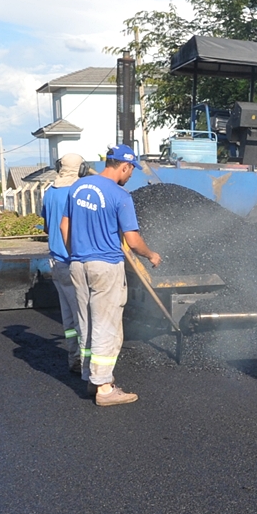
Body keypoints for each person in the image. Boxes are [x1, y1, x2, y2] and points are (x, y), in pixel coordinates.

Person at [61, 145, 160, 406]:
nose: (130, 176)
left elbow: (64, 226)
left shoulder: (77, 187)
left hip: (78, 264)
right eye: (131, 171)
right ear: (124, 166)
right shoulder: (120, 195)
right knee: (108, 326)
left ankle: (91, 378)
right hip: (105, 266)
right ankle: (105, 388)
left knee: (86, 323)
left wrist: (78, 253)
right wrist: (151, 255)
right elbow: (133, 240)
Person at [40, 153, 86, 374]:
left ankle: (74, 357)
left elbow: (48, 227)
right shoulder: (79, 193)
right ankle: (87, 364)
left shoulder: (49, 193)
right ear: (81, 169)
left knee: (68, 315)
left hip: (56, 260)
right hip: (74, 260)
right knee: (83, 316)